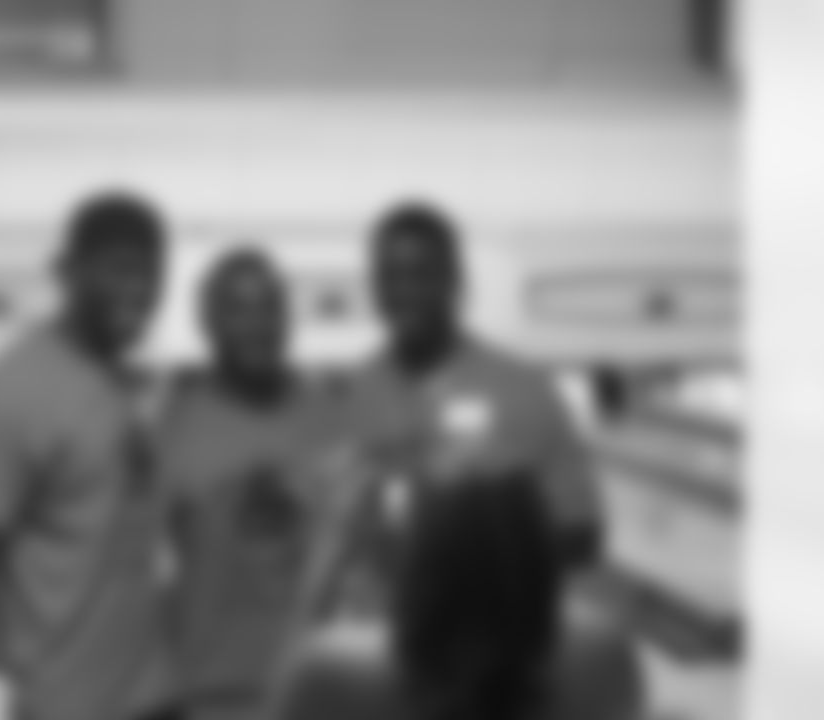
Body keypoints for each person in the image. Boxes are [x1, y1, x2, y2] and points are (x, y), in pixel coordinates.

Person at [300, 202, 605, 622]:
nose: (405, 291)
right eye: (390, 276)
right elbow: (329, 542)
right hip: (383, 640)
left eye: (421, 273)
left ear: (454, 280)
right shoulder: (352, 399)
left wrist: (476, 548)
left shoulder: (523, 390)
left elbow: (583, 533)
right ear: (375, 287)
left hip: (491, 641)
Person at [0, 192, 180, 720]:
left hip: (150, 699)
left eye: (151, 273)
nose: (139, 289)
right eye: (120, 269)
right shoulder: (11, 391)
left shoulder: (124, 382)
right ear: (68, 272)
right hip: (56, 706)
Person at [273, 470, 644, 720]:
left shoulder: (336, 670)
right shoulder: (604, 653)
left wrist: (336, 549)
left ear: (415, 560)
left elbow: (292, 682)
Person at [157, 247, 338, 720]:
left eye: (269, 307)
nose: (257, 325)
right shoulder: (171, 430)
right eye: (238, 309)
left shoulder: (331, 422)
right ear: (207, 321)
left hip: (316, 691)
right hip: (211, 696)